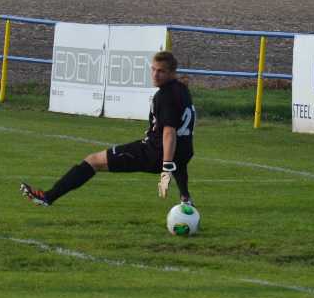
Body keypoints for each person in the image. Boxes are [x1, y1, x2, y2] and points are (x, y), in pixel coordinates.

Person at [20, 50, 196, 209]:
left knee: (93, 160)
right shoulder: (182, 89)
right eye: (153, 69)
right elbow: (178, 145)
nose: (155, 75)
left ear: (172, 73)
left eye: (161, 71)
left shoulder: (164, 96)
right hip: (184, 151)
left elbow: (169, 132)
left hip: (154, 153)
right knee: (178, 161)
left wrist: (165, 168)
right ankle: (186, 199)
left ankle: (48, 197)